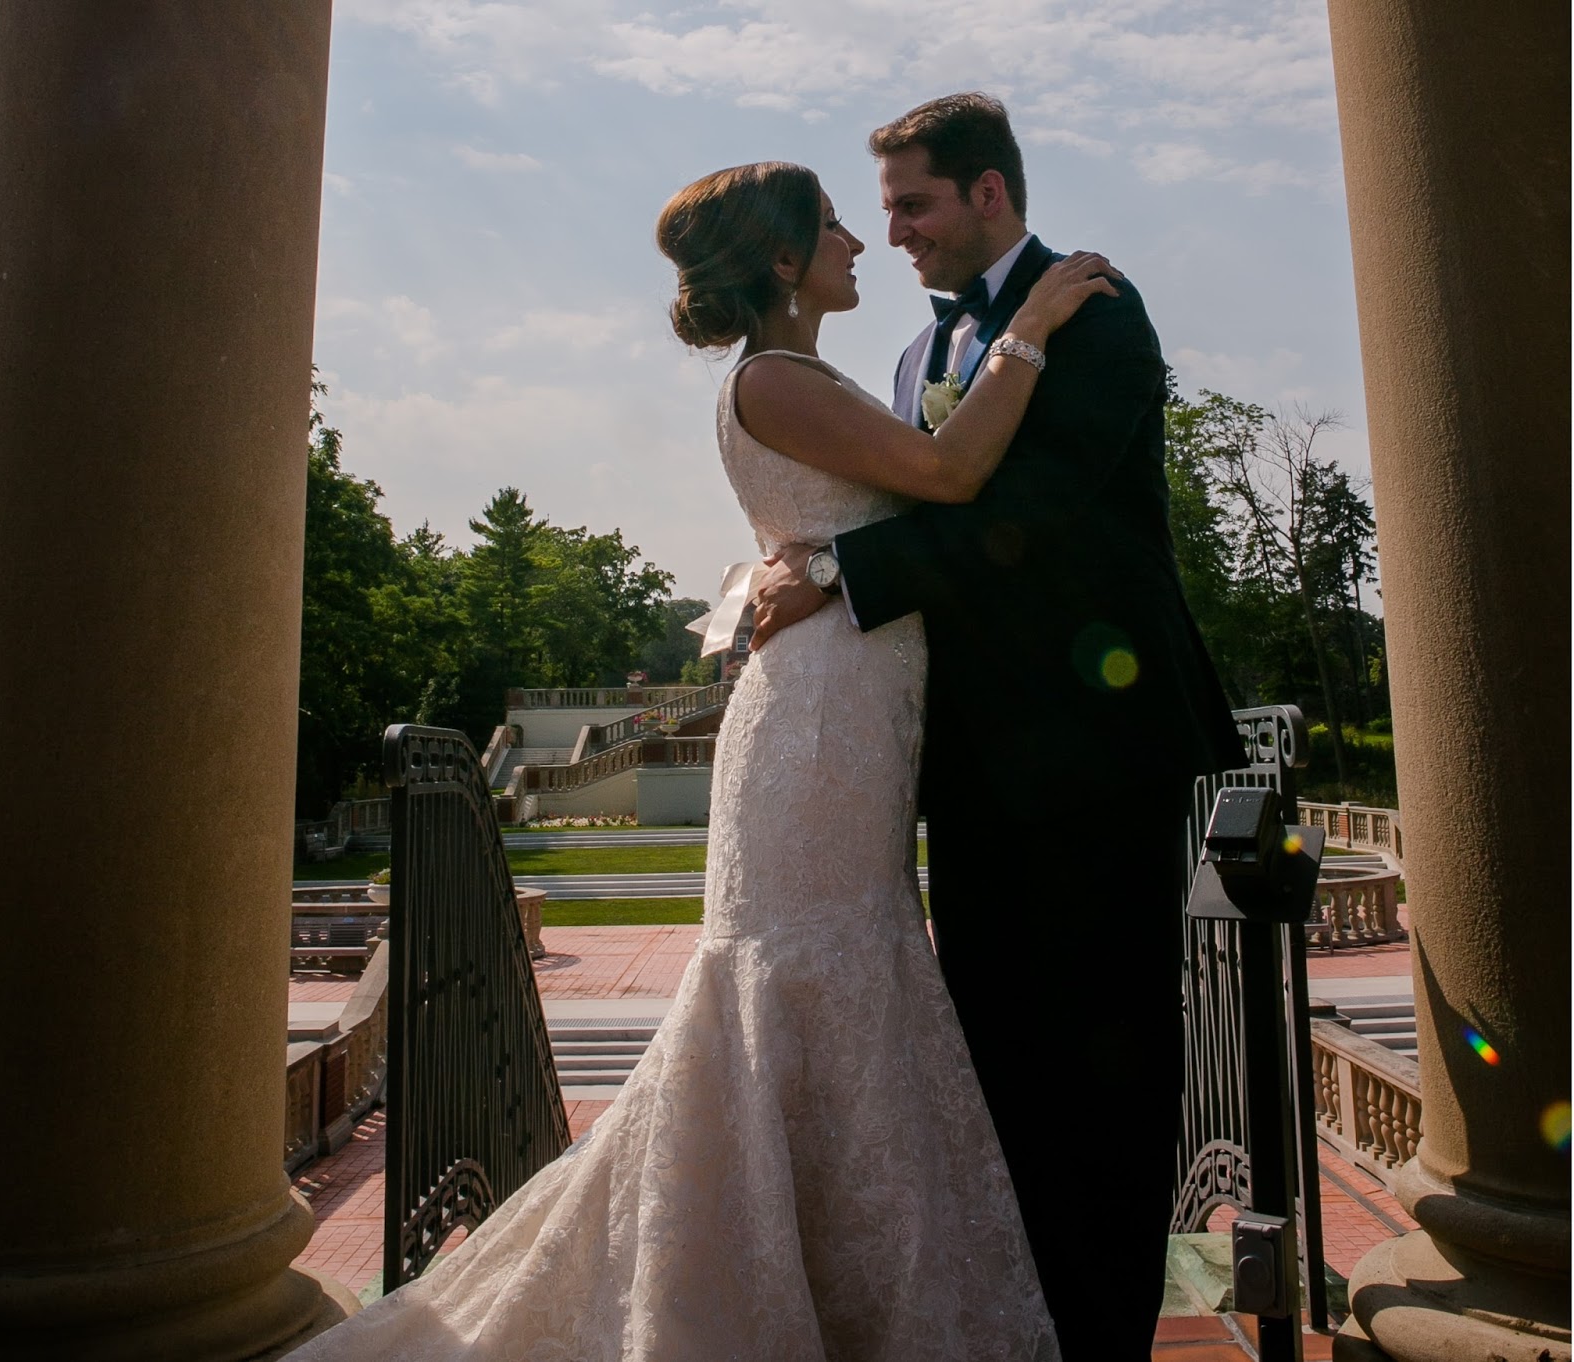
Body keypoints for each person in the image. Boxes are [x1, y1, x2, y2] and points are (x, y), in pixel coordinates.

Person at [286, 161, 1113, 1362]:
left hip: (852, 717)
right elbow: (949, 477)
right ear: (783, 260)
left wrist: (818, 566)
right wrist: (1030, 327)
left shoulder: (812, 376)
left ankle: (831, 1279)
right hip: (818, 727)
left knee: (842, 983)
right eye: (834, 224)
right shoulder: (775, 381)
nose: (858, 242)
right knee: (805, 987)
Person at [751, 94, 1248, 1359]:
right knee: (997, 1070)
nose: (897, 232)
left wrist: (842, 581)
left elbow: (1034, 520)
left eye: (914, 204)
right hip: (970, 773)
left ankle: (1100, 1339)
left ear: (988, 193)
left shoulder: (1096, 308)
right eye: (883, 212)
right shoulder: (921, 361)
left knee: (1110, 1071)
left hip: (1098, 754)